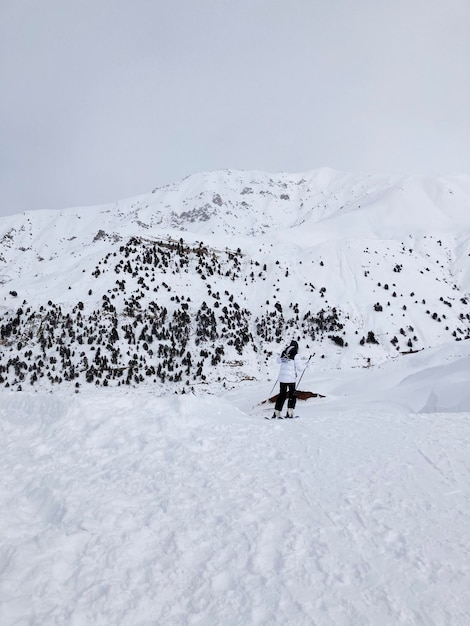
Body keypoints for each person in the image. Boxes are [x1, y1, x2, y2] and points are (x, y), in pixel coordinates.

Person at [272, 340, 306, 418]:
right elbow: (300, 368)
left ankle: (276, 412)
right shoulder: (296, 355)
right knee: (292, 395)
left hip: (282, 378)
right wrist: (306, 365)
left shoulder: (284, 353)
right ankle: (290, 412)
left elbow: (278, 361)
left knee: (282, 395)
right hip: (291, 379)